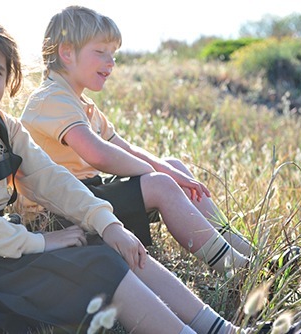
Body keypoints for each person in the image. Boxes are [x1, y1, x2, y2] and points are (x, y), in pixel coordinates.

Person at [0, 10, 301, 334]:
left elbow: (52, 180)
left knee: (114, 248)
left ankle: (226, 329)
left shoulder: (3, 126)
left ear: (9, 78)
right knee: (100, 266)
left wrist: (108, 223)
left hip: (1, 250)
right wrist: (44, 242)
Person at [20, 5, 254, 275]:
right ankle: (235, 268)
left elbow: (124, 148)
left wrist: (168, 170)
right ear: (67, 52)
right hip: (56, 213)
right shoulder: (51, 98)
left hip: (85, 196)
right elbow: (98, 154)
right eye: (100, 52)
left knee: (173, 167)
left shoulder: (80, 102)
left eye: (114, 54)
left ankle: (247, 251)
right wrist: (159, 175)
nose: (111, 62)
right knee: (162, 183)